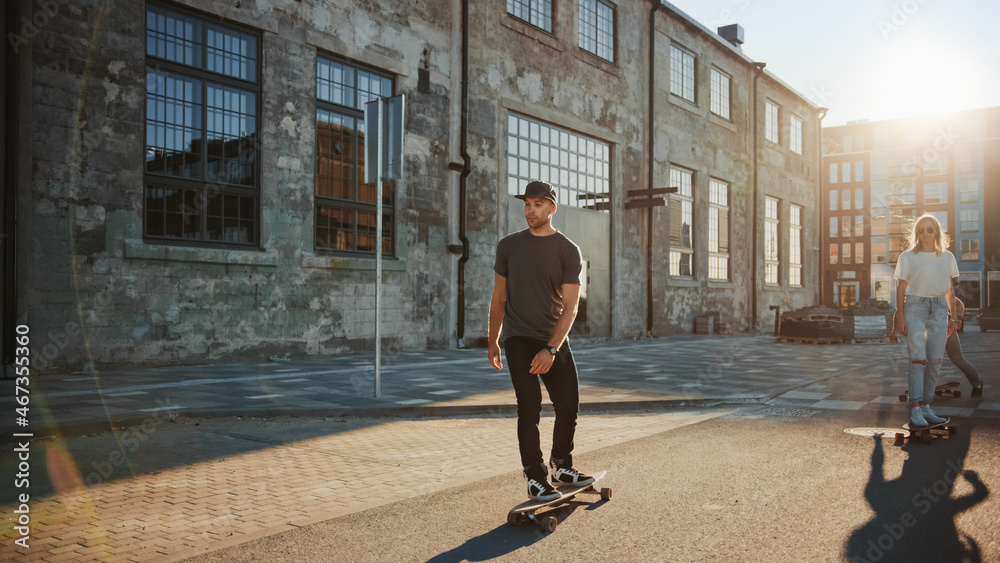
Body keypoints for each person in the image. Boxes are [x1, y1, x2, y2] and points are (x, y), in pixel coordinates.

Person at [488, 180, 594, 501]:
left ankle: (561, 464)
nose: (530, 209)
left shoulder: (567, 250)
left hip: (551, 337)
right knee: (530, 407)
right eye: (527, 204)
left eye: (537, 204)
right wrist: (493, 341)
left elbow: (571, 306)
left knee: (568, 404)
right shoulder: (508, 246)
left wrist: (551, 348)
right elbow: (499, 298)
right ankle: (535, 477)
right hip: (518, 337)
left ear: (552, 208)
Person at [889, 214, 961, 427]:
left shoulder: (947, 257)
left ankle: (927, 406)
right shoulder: (908, 257)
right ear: (917, 233)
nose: (926, 233)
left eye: (930, 229)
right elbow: (900, 288)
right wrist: (899, 317)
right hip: (915, 308)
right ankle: (916, 410)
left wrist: (954, 318)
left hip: (940, 309)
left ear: (937, 232)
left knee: (936, 361)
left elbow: (949, 290)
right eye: (921, 229)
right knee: (918, 359)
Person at [946, 298, 983, 396]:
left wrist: (957, 318)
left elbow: (958, 303)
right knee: (925, 361)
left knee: (958, 359)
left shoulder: (938, 287)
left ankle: (977, 384)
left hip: (946, 329)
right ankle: (922, 386)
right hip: (926, 331)